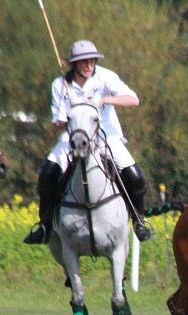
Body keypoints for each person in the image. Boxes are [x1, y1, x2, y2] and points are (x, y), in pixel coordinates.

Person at [24, 40, 152, 244]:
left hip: (106, 136)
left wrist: (105, 100)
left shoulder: (105, 77)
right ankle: (45, 225)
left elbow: (133, 99)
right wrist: (71, 120)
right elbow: (57, 121)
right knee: (47, 174)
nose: (89, 65)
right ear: (73, 64)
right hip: (72, 138)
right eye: (84, 61)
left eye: (92, 60)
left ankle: (139, 221)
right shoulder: (60, 84)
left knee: (135, 176)